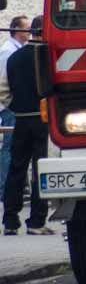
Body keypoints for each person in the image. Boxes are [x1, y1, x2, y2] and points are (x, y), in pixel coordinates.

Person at [2, 17, 53, 235]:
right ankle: (36, 222)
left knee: (17, 168)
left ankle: (10, 220)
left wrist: (16, 106)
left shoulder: (14, 58)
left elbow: (3, 90)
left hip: (22, 118)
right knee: (40, 170)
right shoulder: (49, 56)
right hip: (43, 119)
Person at [0, 16, 30, 197]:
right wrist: (11, 104)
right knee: (9, 147)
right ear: (17, 30)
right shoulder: (8, 51)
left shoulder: (17, 49)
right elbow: (3, 81)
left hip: (14, 106)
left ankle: (16, 187)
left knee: (15, 147)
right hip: (10, 107)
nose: (30, 32)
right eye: (27, 28)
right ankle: (4, 188)